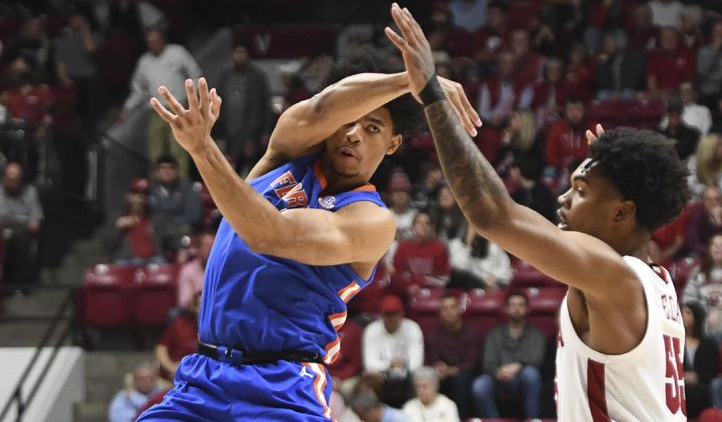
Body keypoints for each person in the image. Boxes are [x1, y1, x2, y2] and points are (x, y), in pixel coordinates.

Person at [138, 42, 478, 420]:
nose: (353, 134)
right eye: (349, 122)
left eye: (372, 127)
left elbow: (269, 235)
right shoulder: (285, 150)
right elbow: (325, 106)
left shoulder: (371, 220)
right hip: (203, 376)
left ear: (393, 142)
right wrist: (408, 79)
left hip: (279, 386)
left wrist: (202, 148)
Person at [385, 3, 690, 421]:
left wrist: (431, 97)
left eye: (580, 191)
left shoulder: (613, 275)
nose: (563, 199)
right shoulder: (658, 284)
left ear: (623, 213)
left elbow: (493, 215)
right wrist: (607, 175)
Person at [120, 27, 202, 177]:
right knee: (155, 153)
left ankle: (182, 186)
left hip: (178, 110)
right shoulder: (144, 61)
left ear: (163, 40)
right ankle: (156, 189)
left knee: (179, 149)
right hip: (157, 111)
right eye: (150, 42)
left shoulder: (177, 52)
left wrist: (193, 100)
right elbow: (138, 89)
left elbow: (195, 74)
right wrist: (127, 108)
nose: (153, 44)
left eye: (156, 41)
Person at [471, 291, 546, 419]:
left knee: (531, 375)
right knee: (479, 385)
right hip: (498, 378)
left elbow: (537, 361)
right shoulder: (494, 334)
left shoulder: (537, 335)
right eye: (513, 305)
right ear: (506, 309)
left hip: (523, 378)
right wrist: (498, 372)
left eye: (520, 305)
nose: (516, 309)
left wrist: (519, 365)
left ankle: (532, 419)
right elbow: (487, 364)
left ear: (528, 309)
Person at [424, 293, 482, 417]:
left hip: (467, 375)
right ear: (440, 312)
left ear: (459, 309)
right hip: (444, 375)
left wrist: (451, 370)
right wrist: (439, 367)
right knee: (428, 379)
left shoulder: (473, 331)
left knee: (461, 380)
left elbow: (472, 364)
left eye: (452, 307)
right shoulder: (433, 333)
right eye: (445, 309)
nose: (449, 312)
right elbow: (435, 360)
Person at [362, 294, 425, 408]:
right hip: (383, 376)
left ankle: (413, 412)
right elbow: (369, 365)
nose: (391, 318)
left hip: (407, 376)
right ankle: (376, 414)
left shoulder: (412, 328)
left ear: (402, 314)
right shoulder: (372, 330)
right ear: (381, 315)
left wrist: (403, 364)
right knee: (369, 376)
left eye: (395, 314)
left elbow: (416, 364)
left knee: (419, 376)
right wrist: (390, 364)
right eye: (387, 314)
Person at [216, 43, 272, 163]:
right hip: (228, 130)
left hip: (251, 130)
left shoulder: (258, 76)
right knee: (230, 164)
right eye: (236, 52)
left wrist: (266, 131)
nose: (239, 56)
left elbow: (265, 105)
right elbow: (217, 101)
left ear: (248, 55)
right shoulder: (226, 75)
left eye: (242, 53)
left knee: (251, 165)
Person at [0, 162, 43, 287]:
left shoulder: (30, 192)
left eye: (16, 179)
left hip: (22, 235)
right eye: (10, 179)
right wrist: (24, 221)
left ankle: (19, 284)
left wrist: (14, 222)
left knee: (23, 241)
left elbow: (36, 223)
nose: (12, 182)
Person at [149, 153, 203, 252]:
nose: (166, 171)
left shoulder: (187, 188)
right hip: (156, 232)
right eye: (162, 168)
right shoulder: (150, 190)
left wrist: (171, 222)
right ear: (156, 172)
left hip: (179, 230)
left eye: (170, 168)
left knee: (185, 232)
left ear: (177, 171)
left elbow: (195, 215)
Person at [106, 178, 164, 265]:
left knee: (162, 264)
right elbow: (108, 247)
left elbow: (174, 238)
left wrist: (184, 243)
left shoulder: (156, 219)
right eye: (135, 192)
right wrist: (118, 228)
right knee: (119, 265)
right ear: (129, 196)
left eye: (145, 193)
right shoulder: (118, 217)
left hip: (152, 260)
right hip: (127, 260)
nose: (140, 197)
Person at [390, 211, 450, 295]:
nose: (423, 226)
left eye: (427, 223)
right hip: (406, 293)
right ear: (412, 227)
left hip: (433, 293)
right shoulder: (403, 247)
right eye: (419, 222)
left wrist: (420, 281)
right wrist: (408, 287)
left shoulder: (439, 248)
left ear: (431, 228)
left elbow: (444, 278)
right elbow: (396, 275)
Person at [682, 301, 721, 418]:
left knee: (699, 392)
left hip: (702, 383)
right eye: (682, 312)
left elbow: (714, 368)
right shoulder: (676, 339)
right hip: (679, 381)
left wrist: (697, 377)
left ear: (697, 316)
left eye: (688, 313)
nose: (683, 315)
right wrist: (682, 376)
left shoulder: (709, 343)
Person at [447, 224, 512, 289]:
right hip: (466, 286)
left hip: (491, 285)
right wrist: (468, 242)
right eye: (471, 228)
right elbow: (460, 267)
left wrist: (495, 276)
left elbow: (505, 269)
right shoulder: (455, 244)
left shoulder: (493, 246)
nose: (474, 231)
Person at [685, 185, 722, 257]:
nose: (713, 202)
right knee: (693, 255)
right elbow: (692, 241)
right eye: (709, 199)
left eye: (717, 199)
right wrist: (711, 251)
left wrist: (719, 222)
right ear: (703, 201)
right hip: (704, 252)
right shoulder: (697, 215)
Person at [155, 292, 200, 380]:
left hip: (200, 377)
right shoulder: (179, 323)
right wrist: (171, 368)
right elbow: (161, 350)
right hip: (173, 375)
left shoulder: (218, 329)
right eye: (200, 305)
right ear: (193, 307)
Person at [686, 134, 722, 200]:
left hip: (720, 198)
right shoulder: (694, 161)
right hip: (697, 197)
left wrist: (714, 193)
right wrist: (705, 191)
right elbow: (690, 183)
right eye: (721, 145)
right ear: (710, 148)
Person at [176, 229, 214, 309]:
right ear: (198, 249)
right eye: (205, 246)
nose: (209, 250)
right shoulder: (188, 271)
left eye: (212, 246)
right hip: (194, 314)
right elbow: (185, 302)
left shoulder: (223, 271)